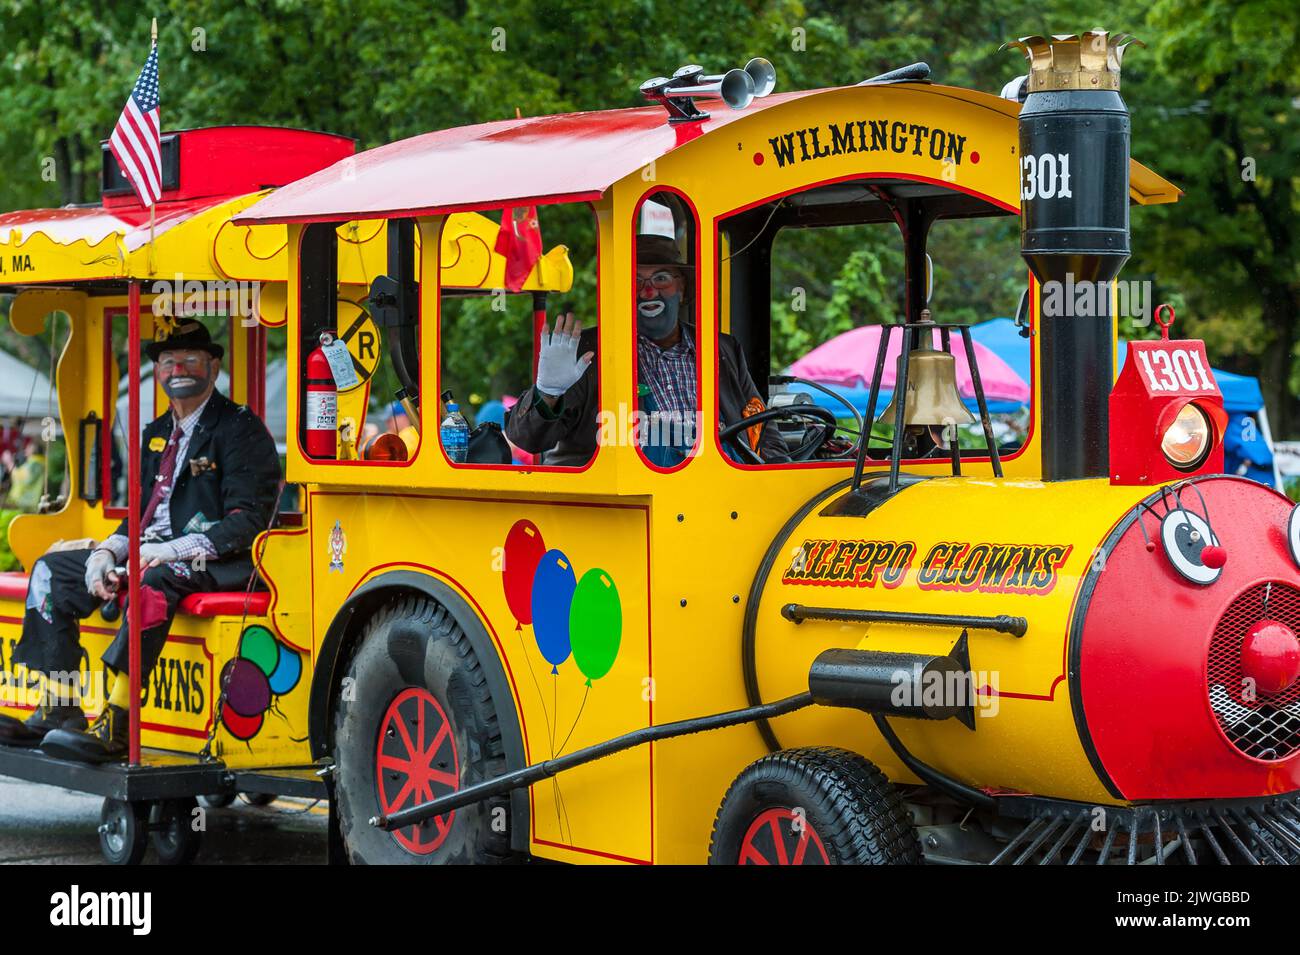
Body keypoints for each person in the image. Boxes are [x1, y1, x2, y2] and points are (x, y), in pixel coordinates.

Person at [0, 320, 282, 761]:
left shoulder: (240, 428)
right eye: (168, 361)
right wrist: (108, 552)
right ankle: (59, 704)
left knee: (154, 581)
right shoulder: (155, 433)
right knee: (49, 572)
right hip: (152, 556)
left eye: (190, 359)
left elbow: (246, 522)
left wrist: (169, 551)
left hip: (219, 561)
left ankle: (118, 720)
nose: (178, 369)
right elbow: (140, 514)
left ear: (213, 365)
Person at [506, 235, 784, 466]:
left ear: (682, 288)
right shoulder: (587, 351)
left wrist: (775, 481)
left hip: (718, 500)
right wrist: (548, 394)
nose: (648, 291)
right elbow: (528, 440)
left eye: (661, 278)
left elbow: (760, 427)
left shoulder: (722, 349)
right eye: (635, 280)